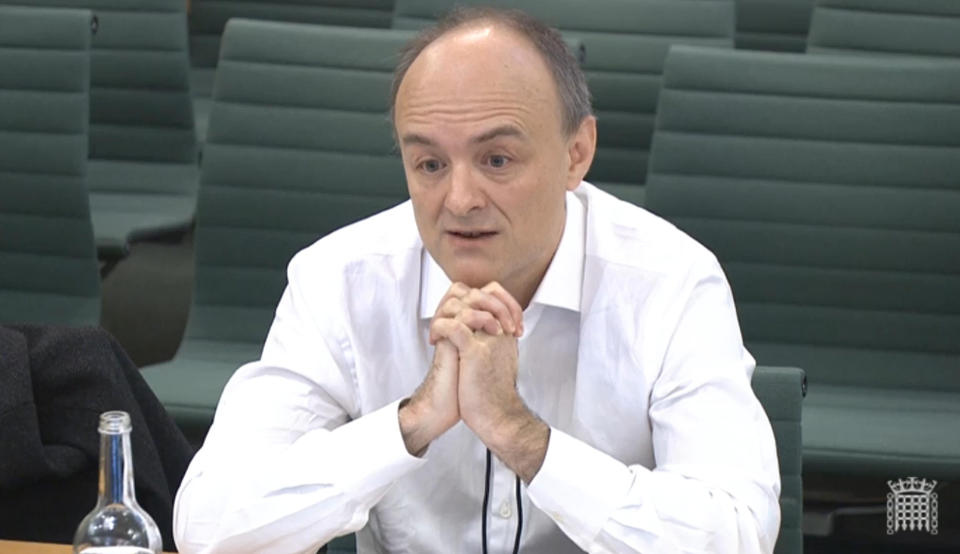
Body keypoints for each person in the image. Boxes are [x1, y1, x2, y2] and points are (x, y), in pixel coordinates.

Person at [173, 7, 780, 554]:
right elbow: (207, 525)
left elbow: (738, 533)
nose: (459, 200)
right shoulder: (339, 279)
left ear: (577, 153)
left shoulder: (671, 283)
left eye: (496, 160)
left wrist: (523, 438)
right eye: (430, 164)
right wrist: (408, 424)